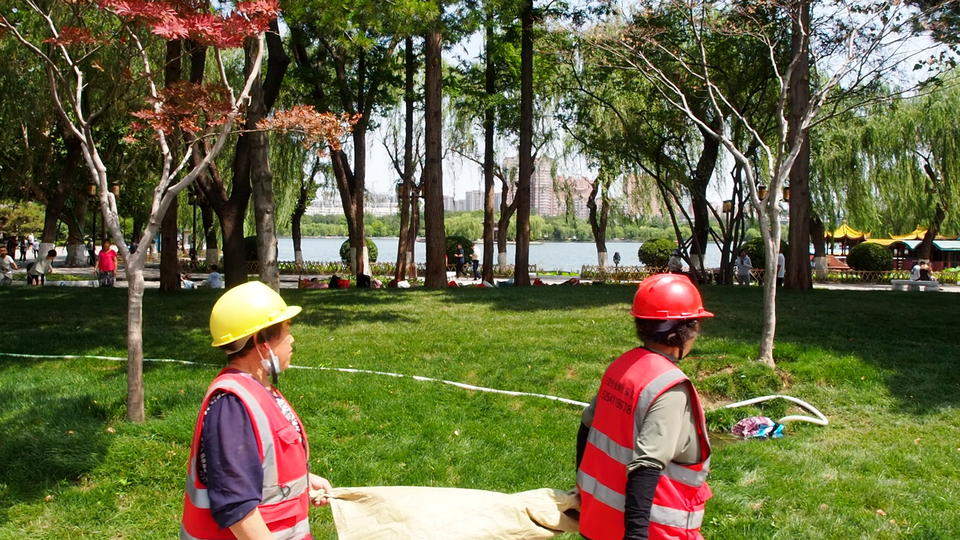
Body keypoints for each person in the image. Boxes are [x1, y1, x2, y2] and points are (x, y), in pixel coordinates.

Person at [181, 281, 332, 539]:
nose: (292, 338)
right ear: (261, 341)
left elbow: (257, 467)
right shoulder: (232, 406)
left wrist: (302, 482)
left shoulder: (256, 390)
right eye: (286, 330)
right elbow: (236, 506)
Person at [576, 273, 713, 540]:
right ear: (684, 331)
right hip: (655, 531)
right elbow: (647, 466)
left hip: (599, 522)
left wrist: (582, 490)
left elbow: (586, 426)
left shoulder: (621, 367)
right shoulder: (671, 388)